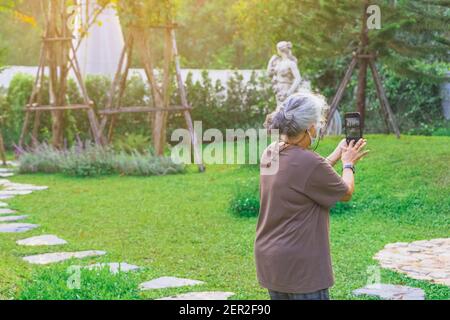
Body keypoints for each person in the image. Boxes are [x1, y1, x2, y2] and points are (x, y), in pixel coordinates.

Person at [255, 93, 368, 300]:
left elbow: (305, 177)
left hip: (272, 261)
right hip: (301, 267)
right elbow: (345, 192)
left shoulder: (271, 152)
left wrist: (336, 154)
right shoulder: (310, 163)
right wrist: (348, 163)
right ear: (309, 127)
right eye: (317, 122)